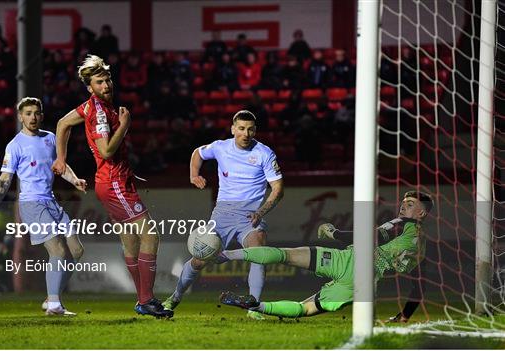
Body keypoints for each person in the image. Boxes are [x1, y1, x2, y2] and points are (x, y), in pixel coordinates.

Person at [52, 55, 173, 318]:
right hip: (115, 182)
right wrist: (126, 126)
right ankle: (146, 299)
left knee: (130, 242)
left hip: (111, 182)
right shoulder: (99, 114)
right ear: (90, 87)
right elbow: (106, 150)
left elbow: (62, 124)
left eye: (107, 80)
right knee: (150, 235)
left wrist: (61, 159)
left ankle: (143, 300)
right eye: (99, 82)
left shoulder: (88, 107)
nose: (106, 85)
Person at [219, 191, 433, 319]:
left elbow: (373, 236)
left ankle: (226, 255)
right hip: (361, 285)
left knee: (285, 255)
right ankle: (256, 306)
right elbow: (419, 286)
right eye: (403, 204)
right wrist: (405, 316)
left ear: (422, 213)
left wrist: (335, 233)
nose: (403, 208)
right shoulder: (421, 246)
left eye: (410, 205)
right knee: (305, 309)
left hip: (348, 260)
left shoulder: (402, 223)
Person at [162, 110, 284, 320]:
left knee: (259, 252)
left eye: (251, 129)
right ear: (233, 129)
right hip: (222, 214)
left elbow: (278, 189)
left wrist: (261, 211)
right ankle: (174, 297)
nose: (246, 133)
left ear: (255, 131)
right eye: (242, 129)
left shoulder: (265, 153)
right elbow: (198, 153)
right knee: (199, 260)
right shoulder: (220, 147)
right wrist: (194, 174)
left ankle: (253, 308)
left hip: (250, 216)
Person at [0, 97, 86, 315]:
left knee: (76, 251)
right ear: (20, 116)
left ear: (42, 115)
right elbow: (4, 180)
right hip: (31, 204)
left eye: (36, 113)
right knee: (57, 250)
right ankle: (55, 305)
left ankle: (51, 298)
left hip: (51, 202)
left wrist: (75, 180)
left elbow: (61, 166)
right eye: (28, 113)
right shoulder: (15, 145)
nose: (33, 117)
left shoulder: (50, 139)